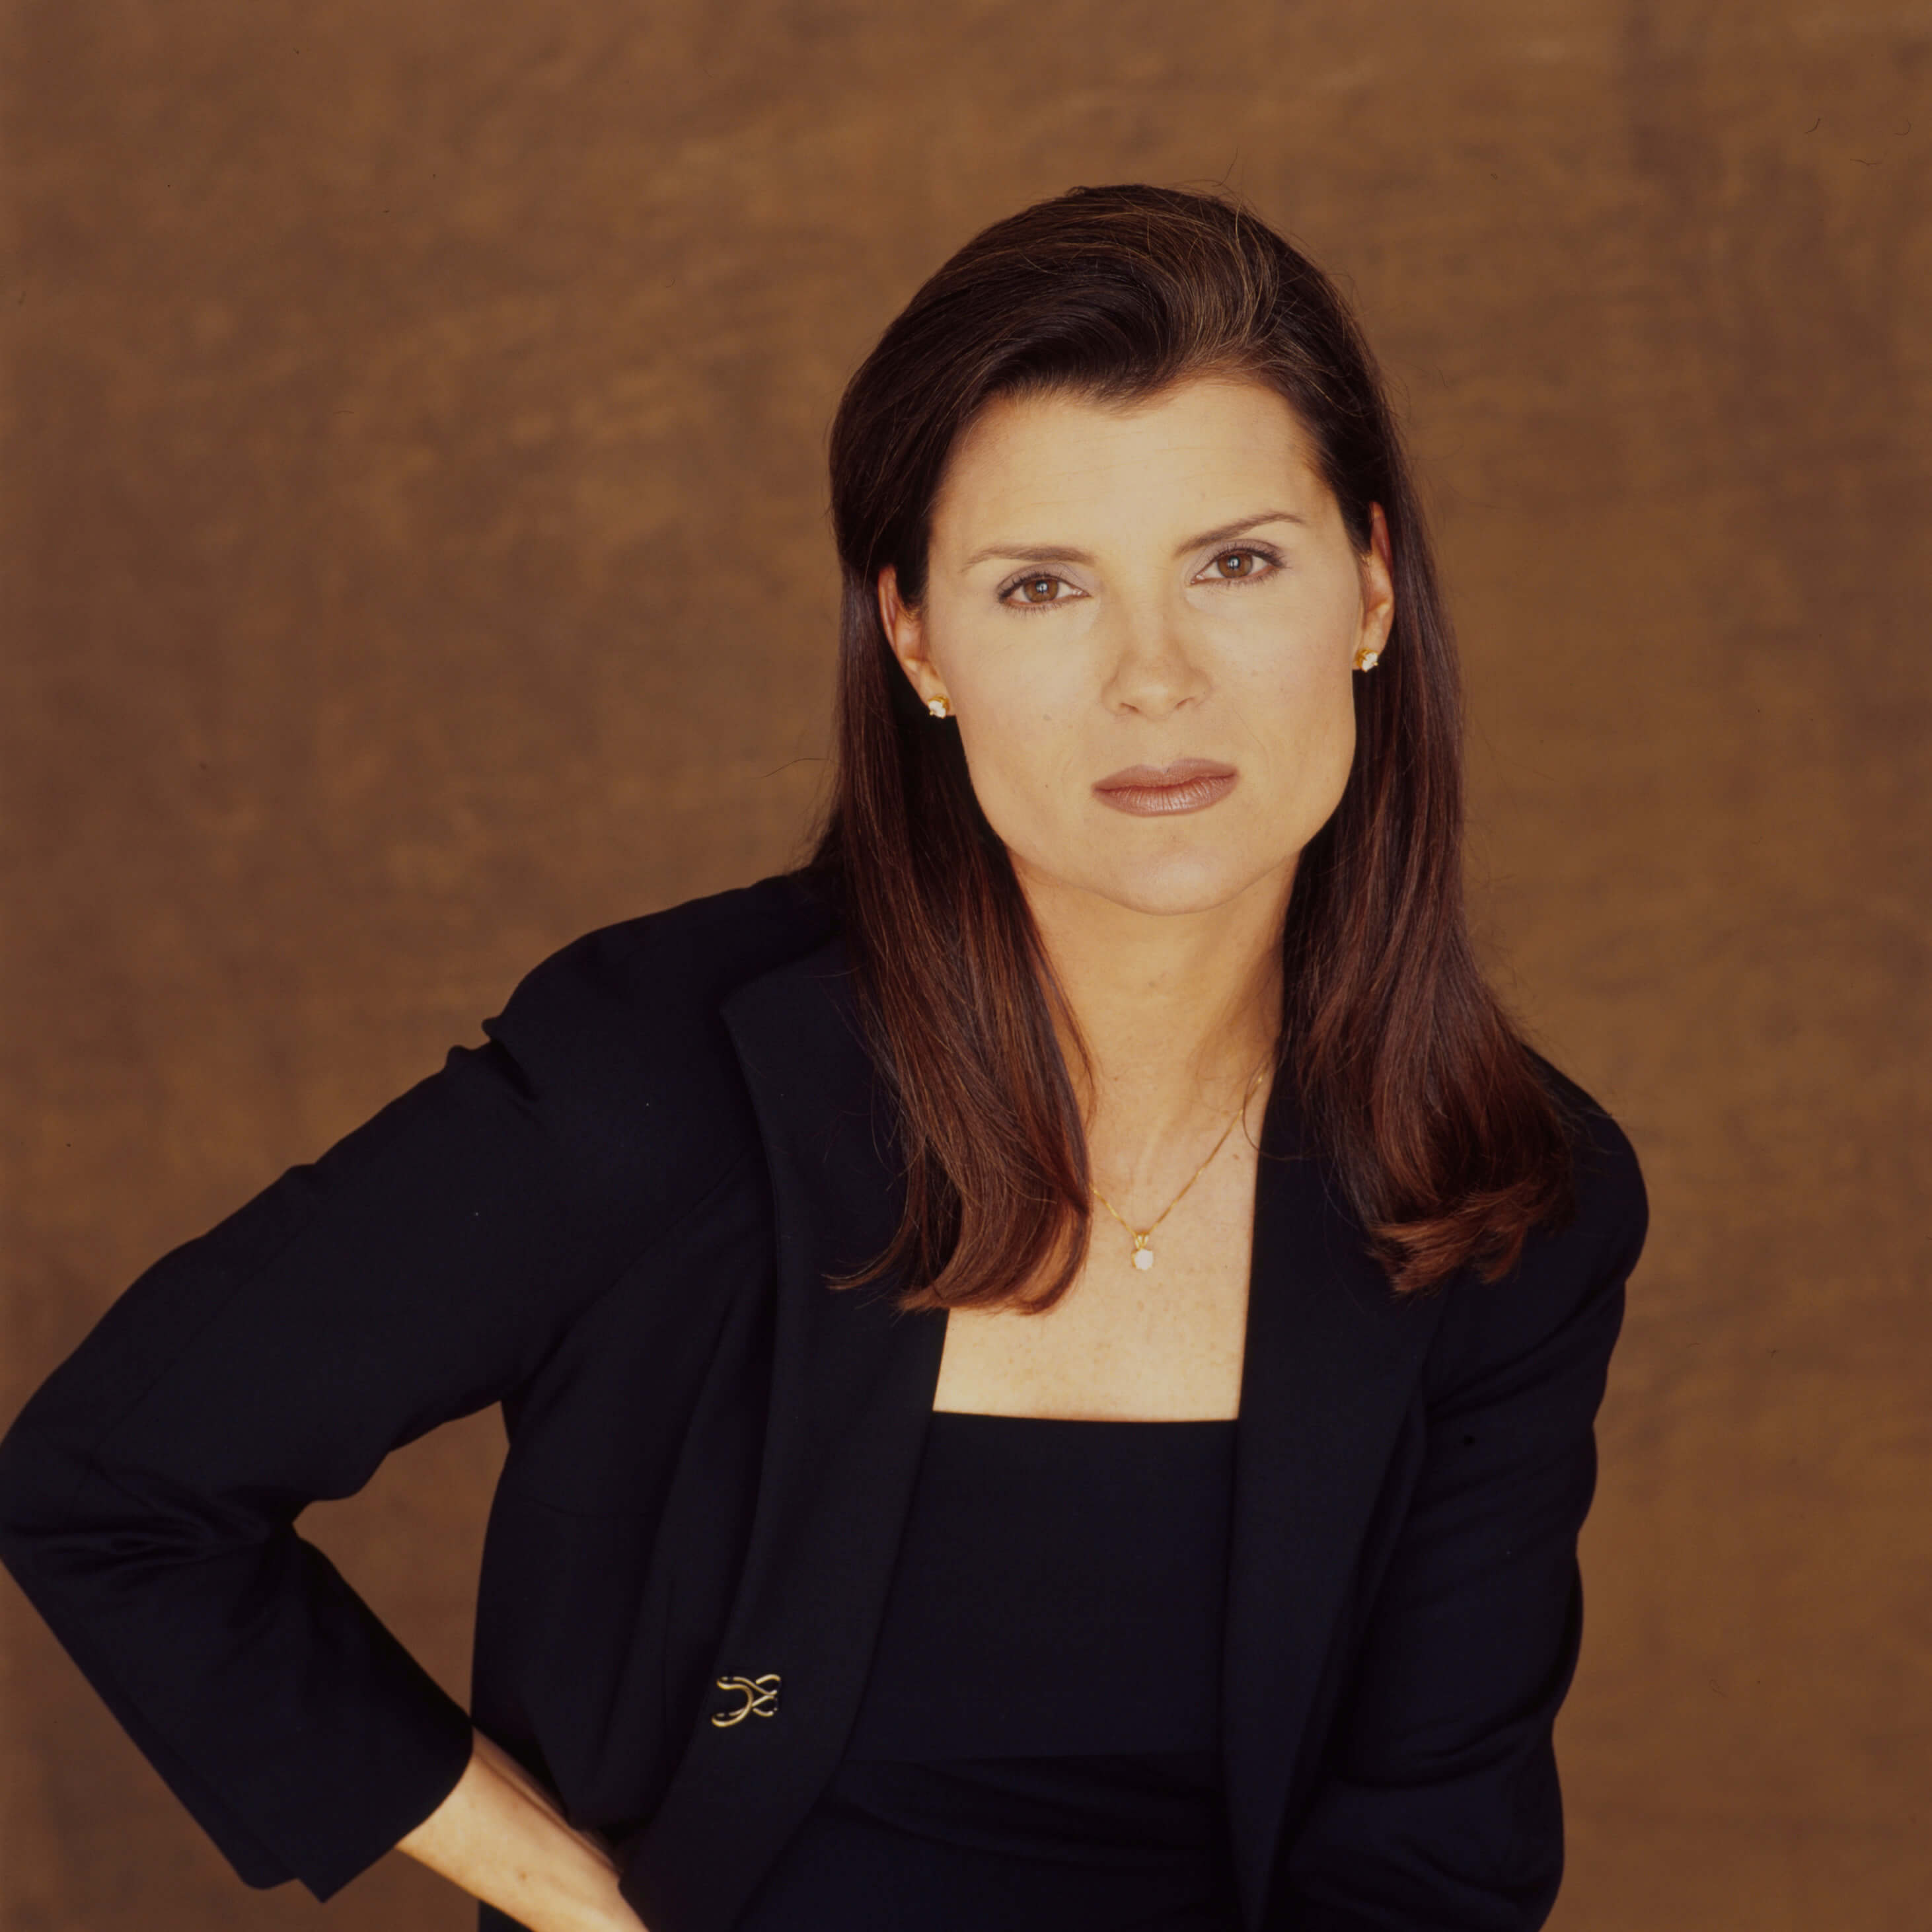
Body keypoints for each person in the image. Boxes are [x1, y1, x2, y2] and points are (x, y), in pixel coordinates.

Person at [0, 182, 1647, 1932]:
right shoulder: (661, 1080)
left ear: (1371, 588)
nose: (1154, 677)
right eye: (1041, 586)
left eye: (1235, 562)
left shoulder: (1504, 1186)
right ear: (917, 640)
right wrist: (565, 1894)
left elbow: (1426, 1865)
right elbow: (113, 1482)